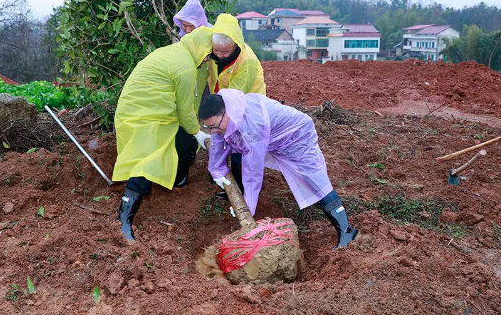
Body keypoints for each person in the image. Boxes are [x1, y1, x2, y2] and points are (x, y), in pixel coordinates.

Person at [199, 89, 358, 250]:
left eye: (214, 126)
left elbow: (253, 170)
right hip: (271, 137)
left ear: (226, 114)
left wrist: (247, 205)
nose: (213, 131)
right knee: (237, 153)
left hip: (297, 134)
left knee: (314, 179)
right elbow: (218, 140)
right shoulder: (226, 113)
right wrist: (216, 170)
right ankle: (241, 190)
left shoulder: (252, 126)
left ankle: (346, 230)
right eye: (208, 127)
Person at [113, 27, 212, 241]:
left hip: (141, 110)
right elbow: (186, 114)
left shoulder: (176, 52)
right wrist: (201, 134)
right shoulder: (185, 68)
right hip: (145, 116)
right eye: (207, 53)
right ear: (200, 48)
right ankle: (124, 221)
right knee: (148, 161)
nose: (207, 58)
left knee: (185, 144)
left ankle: (177, 179)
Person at [206, 13, 267, 200]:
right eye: (216, 50)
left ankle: (243, 189)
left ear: (236, 44)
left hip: (246, 104)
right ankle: (227, 179)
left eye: (225, 52)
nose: (219, 54)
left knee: (243, 147)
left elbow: (234, 98)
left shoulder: (246, 61)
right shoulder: (213, 51)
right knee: (225, 138)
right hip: (223, 99)